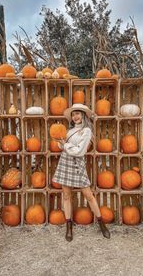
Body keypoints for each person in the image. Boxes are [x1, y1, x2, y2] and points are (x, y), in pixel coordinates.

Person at [52, 103, 110, 242]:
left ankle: (101, 223)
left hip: (77, 165)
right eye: (73, 114)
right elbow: (62, 147)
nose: (75, 116)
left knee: (89, 195)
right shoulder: (69, 131)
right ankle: (68, 226)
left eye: (78, 113)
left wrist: (65, 145)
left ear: (83, 115)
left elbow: (80, 151)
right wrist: (60, 142)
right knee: (66, 196)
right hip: (65, 163)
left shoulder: (87, 131)